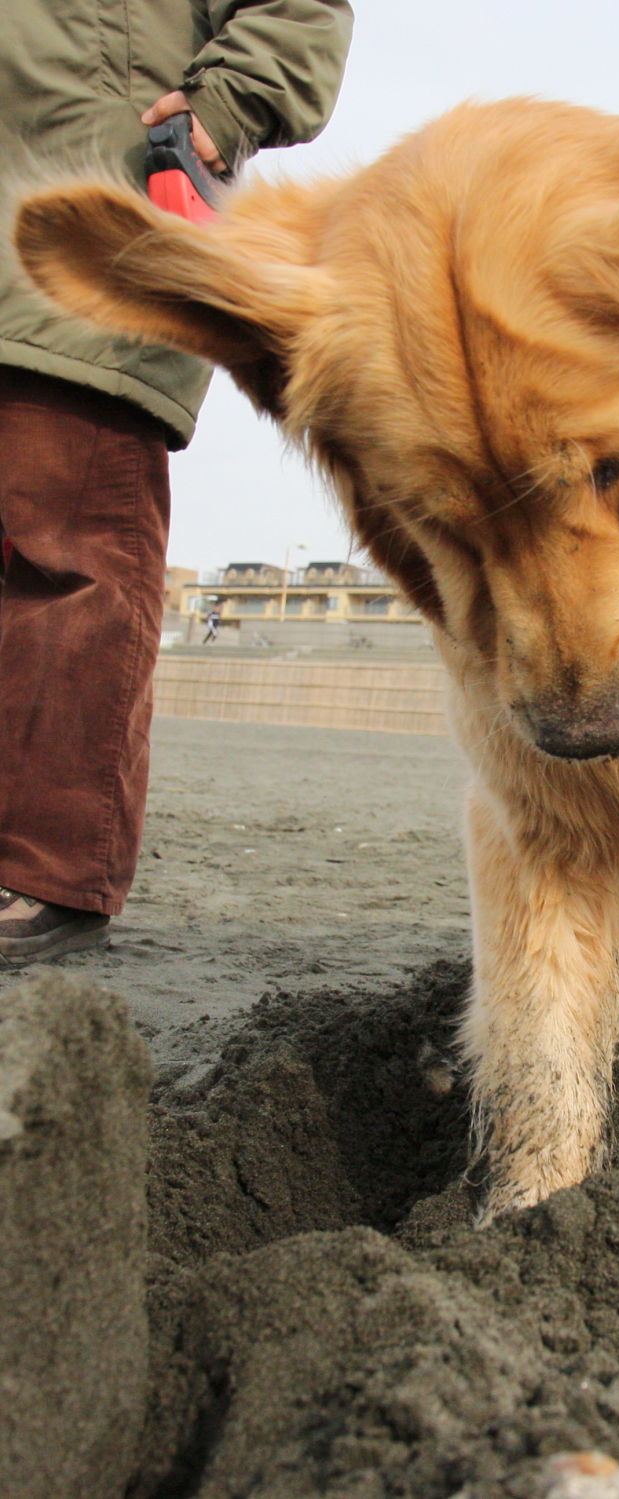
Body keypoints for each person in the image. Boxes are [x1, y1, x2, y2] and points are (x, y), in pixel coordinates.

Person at [0, 2, 353, 966]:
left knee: (72, 557)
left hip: (95, 234)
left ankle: (51, 870)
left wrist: (218, 109)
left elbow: (301, 10)